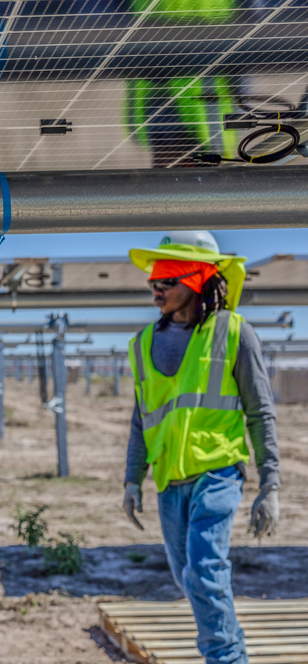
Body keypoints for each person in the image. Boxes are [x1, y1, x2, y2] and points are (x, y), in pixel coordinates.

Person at [122, 230, 281, 664]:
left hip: (218, 471)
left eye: (167, 280)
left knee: (205, 574)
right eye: (153, 280)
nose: (156, 288)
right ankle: (231, 648)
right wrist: (131, 479)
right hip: (169, 481)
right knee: (189, 578)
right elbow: (141, 420)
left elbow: (260, 411)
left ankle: (226, 657)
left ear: (199, 279)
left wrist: (271, 486)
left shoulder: (233, 332)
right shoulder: (141, 345)